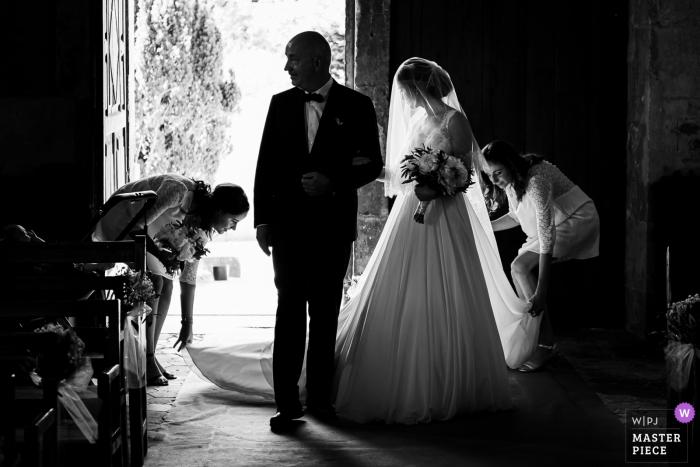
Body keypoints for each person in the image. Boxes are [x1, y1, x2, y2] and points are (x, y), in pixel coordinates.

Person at [185, 57, 540, 425]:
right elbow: (393, 169)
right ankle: (295, 396)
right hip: (408, 213)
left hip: (445, 215)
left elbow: (465, 172)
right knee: (397, 289)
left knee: (446, 289)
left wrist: (437, 187)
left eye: (404, 91)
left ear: (418, 87)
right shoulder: (417, 121)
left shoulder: (455, 120)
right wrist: (374, 171)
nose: (403, 99)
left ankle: (445, 377)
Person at [253, 31, 383, 428]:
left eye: (292, 58)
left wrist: (334, 182)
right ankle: (286, 403)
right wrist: (262, 220)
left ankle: (321, 400)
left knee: (324, 314)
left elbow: (371, 163)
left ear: (317, 61)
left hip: (331, 228)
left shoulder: (357, 105)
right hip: (288, 229)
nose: (286, 65)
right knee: (288, 311)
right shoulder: (280, 105)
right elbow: (266, 166)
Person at [93, 174, 249, 385]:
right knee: (156, 281)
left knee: (168, 284)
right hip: (122, 218)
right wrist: (160, 254)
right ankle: (145, 360)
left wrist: (187, 323)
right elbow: (134, 224)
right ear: (219, 210)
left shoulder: (202, 224)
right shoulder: (178, 191)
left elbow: (188, 276)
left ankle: (150, 356)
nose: (234, 228)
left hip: (144, 231)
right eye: (234, 221)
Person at [482, 140, 600, 372]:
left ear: (510, 165)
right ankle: (534, 338)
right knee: (518, 270)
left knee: (520, 267)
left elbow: (547, 236)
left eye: (497, 173)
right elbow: (516, 217)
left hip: (575, 220)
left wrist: (541, 291)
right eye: (489, 175)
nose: (494, 180)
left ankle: (546, 344)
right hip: (552, 224)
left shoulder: (536, 181)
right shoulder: (513, 178)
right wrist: (482, 226)